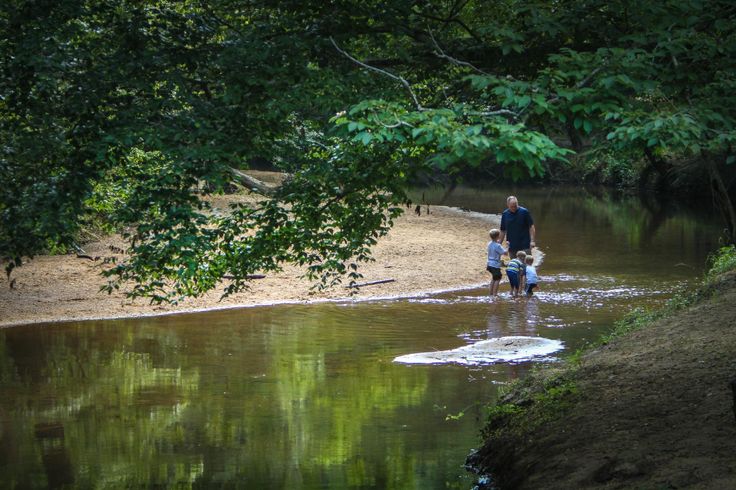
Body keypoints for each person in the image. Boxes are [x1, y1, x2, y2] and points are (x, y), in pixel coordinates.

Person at [486, 228, 507, 297]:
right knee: (498, 278)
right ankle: (495, 294)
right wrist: (508, 246)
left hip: (489, 264)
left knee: (494, 278)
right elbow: (505, 253)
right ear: (497, 236)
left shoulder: (489, 243)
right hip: (495, 265)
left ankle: (490, 293)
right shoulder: (498, 245)